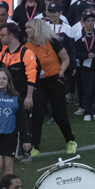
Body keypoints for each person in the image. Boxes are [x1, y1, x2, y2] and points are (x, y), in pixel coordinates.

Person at [26, 18, 75, 157]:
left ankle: (70, 140)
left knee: (59, 114)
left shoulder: (52, 42)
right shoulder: (28, 46)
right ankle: (35, 146)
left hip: (55, 81)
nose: (26, 31)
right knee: (37, 114)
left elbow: (66, 58)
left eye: (29, 28)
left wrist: (62, 71)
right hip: (38, 83)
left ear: (37, 29)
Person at [0, 67, 33, 189]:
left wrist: (26, 139)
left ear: (9, 80)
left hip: (11, 135)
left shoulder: (15, 96)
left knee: (8, 168)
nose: (1, 81)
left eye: (4, 78)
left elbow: (22, 119)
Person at [71, 9, 95, 122]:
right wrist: (86, 55)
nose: (91, 23)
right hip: (85, 68)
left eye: (92, 21)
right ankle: (87, 111)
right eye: (88, 21)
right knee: (87, 90)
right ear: (84, 22)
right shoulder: (77, 36)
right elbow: (74, 52)